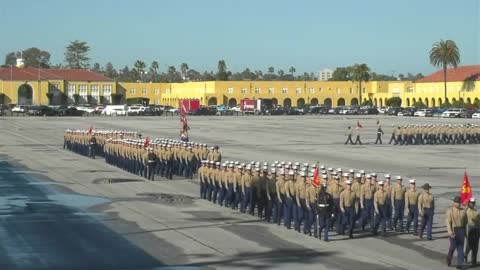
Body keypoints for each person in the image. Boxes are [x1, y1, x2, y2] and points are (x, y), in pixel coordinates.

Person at [446, 196, 467, 269]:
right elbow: (448, 222)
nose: (458, 204)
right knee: (452, 247)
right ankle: (449, 258)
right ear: (454, 202)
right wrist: (449, 231)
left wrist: (466, 232)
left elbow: (466, 222)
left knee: (460, 248)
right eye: (457, 202)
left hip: (461, 230)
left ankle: (459, 264)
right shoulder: (450, 211)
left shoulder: (463, 211)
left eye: (459, 202)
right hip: (453, 230)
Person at [465, 197, 480, 265]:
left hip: (477, 228)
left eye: (474, 202)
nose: (473, 204)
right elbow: (473, 218)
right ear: (469, 203)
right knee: (469, 245)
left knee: (476, 246)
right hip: (471, 228)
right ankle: (465, 254)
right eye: (472, 202)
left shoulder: (475, 210)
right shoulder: (467, 211)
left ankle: (473, 261)